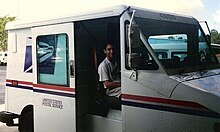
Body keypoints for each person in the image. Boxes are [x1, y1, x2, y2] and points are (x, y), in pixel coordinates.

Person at [98, 43, 121, 110]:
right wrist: (122, 84)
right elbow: (107, 84)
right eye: (109, 49)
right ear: (104, 51)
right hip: (111, 90)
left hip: (118, 85)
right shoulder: (103, 65)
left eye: (113, 49)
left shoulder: (116, 62)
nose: (111, 51)